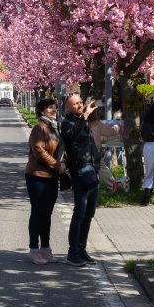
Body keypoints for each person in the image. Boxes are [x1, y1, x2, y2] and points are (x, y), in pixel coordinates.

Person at [60, 94, 101, 267]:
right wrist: (84, 116)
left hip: (92, 170)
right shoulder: (67, 122)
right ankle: (73, 252)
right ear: (68, 107)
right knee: (80, 212)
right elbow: (70, 136)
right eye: (75, 103)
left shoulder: (82, 120)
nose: (79, 105)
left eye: (80, 102)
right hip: (80, 172)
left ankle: (82, 249)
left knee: (90, 213)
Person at [25, 98, 66, 265]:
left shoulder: (53, 128)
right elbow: (39, 151)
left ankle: (46, 248)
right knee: (38, 212)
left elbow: (60, 149)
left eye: (55, 107)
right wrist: (57, 165)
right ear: (41, 111)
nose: (54, 110)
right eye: (50, 107)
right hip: (37, 175)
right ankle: (34, 250)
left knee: (47, 213)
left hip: (51, 176)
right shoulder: (39, 128)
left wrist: (63, 164)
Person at [87, 106, 120, 191]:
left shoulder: (81, 122)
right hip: (93, 152)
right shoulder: (97, 124)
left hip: (81, 152)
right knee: (103, 170)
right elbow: (110, 132)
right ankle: (113, 186)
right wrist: (116, 128)